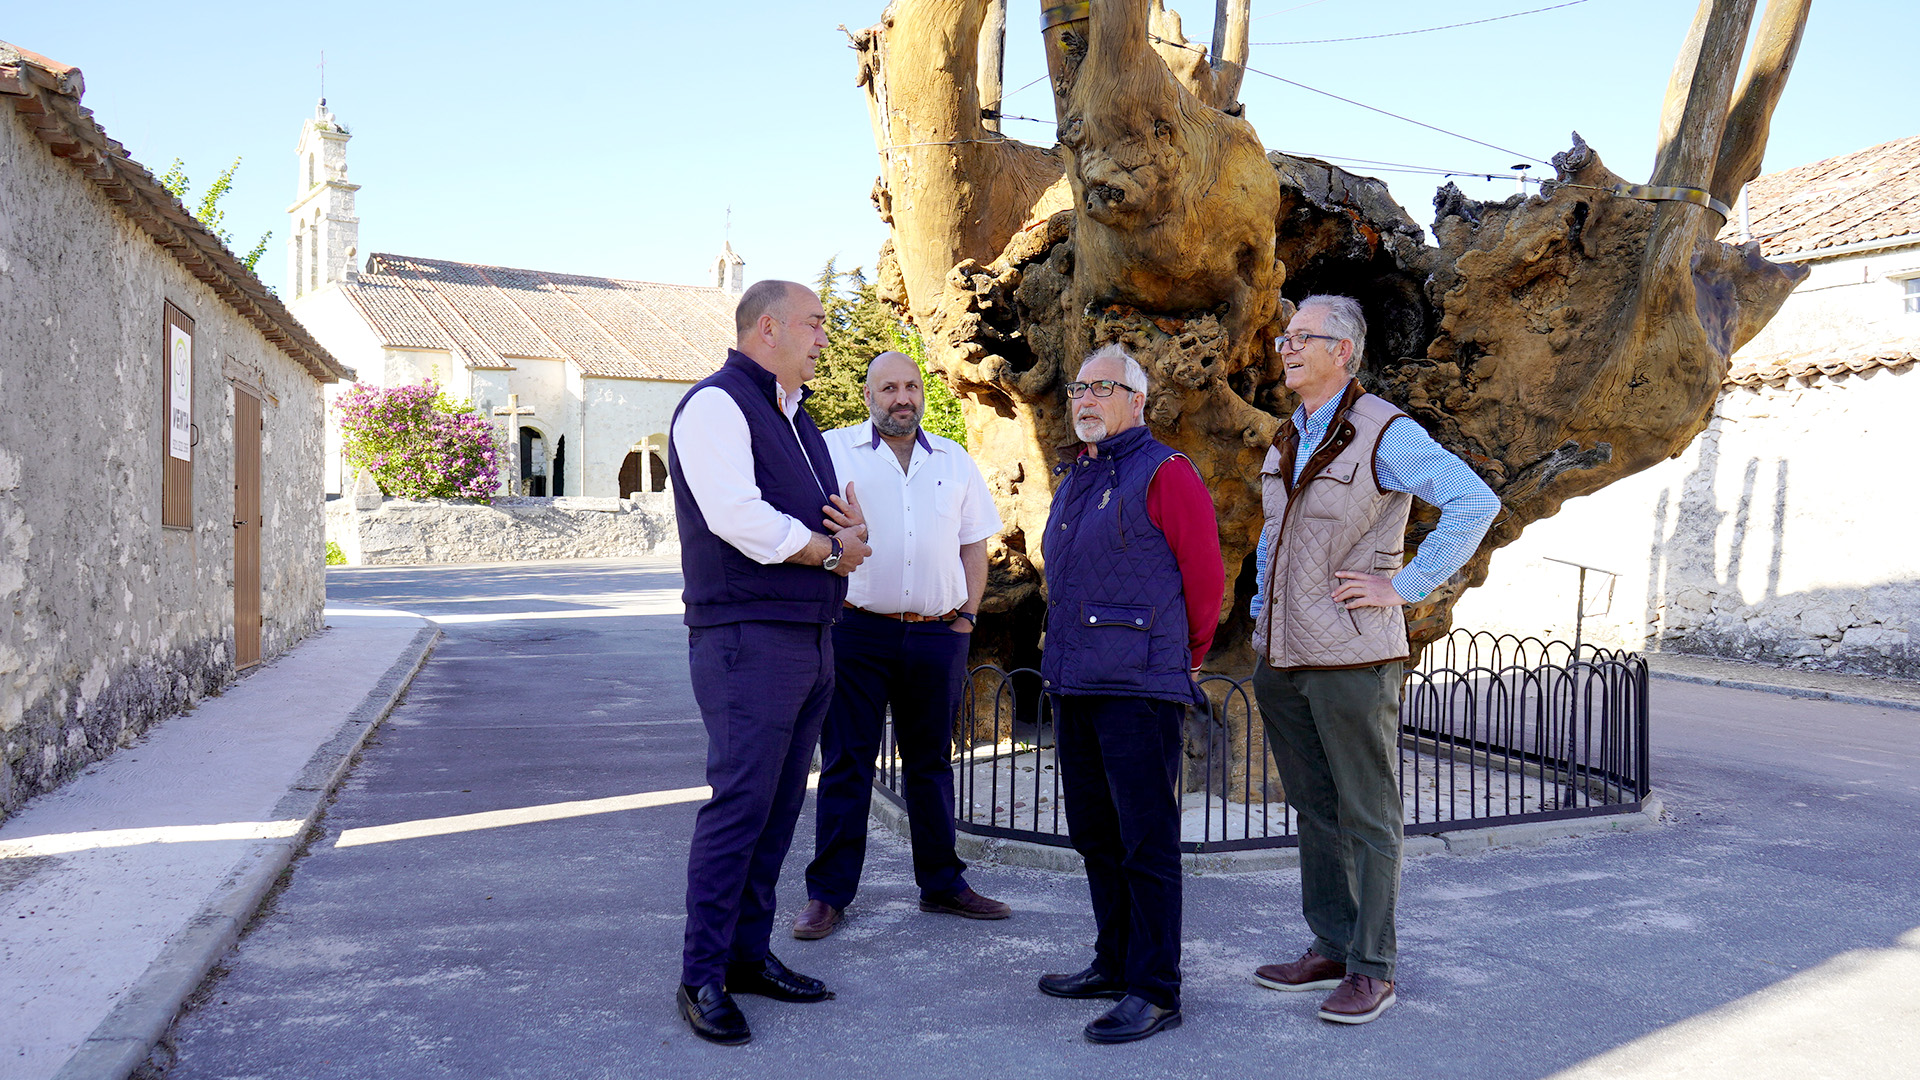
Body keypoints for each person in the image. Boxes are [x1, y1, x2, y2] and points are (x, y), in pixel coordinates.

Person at [1247, 294, 1498, 1025]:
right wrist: (1263, 609)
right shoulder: (1289, 436)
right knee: (1314, 808)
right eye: (1285, 338)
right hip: (1284, 655)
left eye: (1304, 338)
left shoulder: (1385, 431)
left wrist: (1405, 586)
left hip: (1353, 660)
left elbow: (1471, 501)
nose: (1286, 348)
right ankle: (1330, 943)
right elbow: (1273, 538)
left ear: (1344, 352)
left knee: (1367, 814)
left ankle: (1373, 967)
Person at [666, 279, 875, 1047]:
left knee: (780, 808)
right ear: (768, 328)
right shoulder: (717, 404)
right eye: (815, 324)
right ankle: (701, 977)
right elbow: (739, 519)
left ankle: (747, 957)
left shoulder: (800, 419)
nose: (825, 336)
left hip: (809, 638)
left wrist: (850, 535)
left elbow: (833, 523)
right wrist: (831, 553)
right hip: (746, 639)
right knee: (740, 807)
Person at [1034, 344, 1224, 1045]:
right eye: (1079, 387)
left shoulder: (1166, 471)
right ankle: (1112, 963)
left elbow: (1205, 578)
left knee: (1145, 841)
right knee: (1093, 832)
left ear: (1137, 402)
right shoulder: (1077, 476)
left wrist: (1188, 657)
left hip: (1140, 686)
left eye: (1102, 388)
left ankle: (1155, 987)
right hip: (1076, 681)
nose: (1084, 398)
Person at [792, 351, 1010, 941]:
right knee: (847, 763)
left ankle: (942, 882)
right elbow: (804, 529)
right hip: (856, 629)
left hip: (938, 632)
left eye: (910, 386)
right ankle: (829, 894)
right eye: (888, 387)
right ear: (868, 395)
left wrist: (966, 616)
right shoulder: (834, 453)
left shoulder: (955, 461)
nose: (901, 397)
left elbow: (973, 544)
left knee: (931, 763)